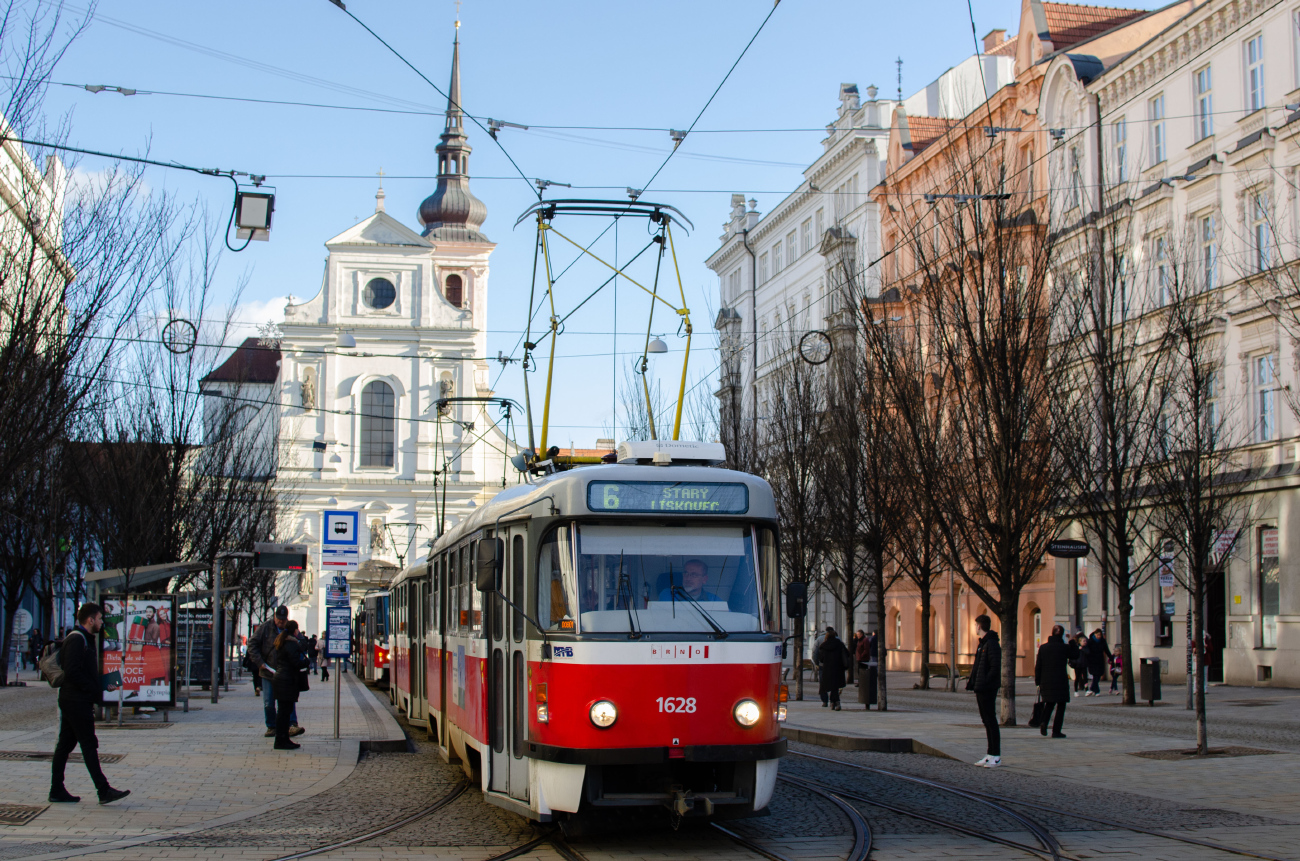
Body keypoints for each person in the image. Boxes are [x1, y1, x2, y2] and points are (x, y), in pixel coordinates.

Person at [49, 603, 130, 804]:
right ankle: (103, 790)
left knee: (65, 745)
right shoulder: (77, 639)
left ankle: (56, 790)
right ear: (90, 620)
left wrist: (101, 684)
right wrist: (94, 689)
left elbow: (81, 673)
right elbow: (73, 673)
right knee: (88, 744)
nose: (102, 622)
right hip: (76, 701)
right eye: (100, 619)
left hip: (75, 699)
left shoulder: (84, 639)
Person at [247, 606, 304, 739]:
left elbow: (301, 643)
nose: (281, 622)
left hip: (286, 672)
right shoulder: (265, 628)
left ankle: (291, 725)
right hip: (268, 671)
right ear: (274, 616)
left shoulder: (290, 628)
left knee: (288, 700)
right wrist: (259, 662)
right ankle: (271, 726)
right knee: (269, 701)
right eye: (279, 619)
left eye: (283, 620)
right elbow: (252, 644)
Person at [966, 614, 1002, 767]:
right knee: (986, 720)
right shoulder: (983, 644)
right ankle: (990, 754)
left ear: (979, 626)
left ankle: (996, 755)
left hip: (987, 688)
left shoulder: (991, 644)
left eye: (976, 625)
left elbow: (995, 667)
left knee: (991, 720)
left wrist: (986, 682)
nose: (975, 628)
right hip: (980, 687)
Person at [272, 621, 307, 750]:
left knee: (283, 712)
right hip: (287, 681)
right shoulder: (291, 643)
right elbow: (295, 663)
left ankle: (283, 739)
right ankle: (281, 740)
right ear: (295, 630)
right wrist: (306, 663)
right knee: (284, 713)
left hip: (280, 679)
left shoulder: (281, 641)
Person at [1034, 624, 1070, 738]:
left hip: (1046, 681)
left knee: (1049, 703)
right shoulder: (1064, 647)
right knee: (1061, 706)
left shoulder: (1043, 648)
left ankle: (1044, 722)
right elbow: (1075, 654)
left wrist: (1038, 682)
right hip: (1061, 681)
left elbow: (1038, 666)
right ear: (1062, 634)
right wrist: (1072, 641)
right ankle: (1056, 731)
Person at [816, 627, 850, 711]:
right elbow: (847, 653)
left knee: (830, 686)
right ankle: (836, 702)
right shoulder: (840, 644)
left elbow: (821, 658)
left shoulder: (824, 645)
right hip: (838, 668)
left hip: (827, 669)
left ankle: (833, 702)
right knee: (835, 686)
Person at [657, 559, 721, 602]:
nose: (688, 578)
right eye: (685, 573)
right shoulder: (668, 595)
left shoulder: (714, 600)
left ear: (704, 579)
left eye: (694, 575)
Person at [1085, 629, 1112, 696]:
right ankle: (1097, 691)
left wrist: (1111, 658)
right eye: (1097, 635)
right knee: (1095, 675)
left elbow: (1106, 650)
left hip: (1100, 660)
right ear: (1095, 634)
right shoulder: (1090, 641)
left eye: (1100, 635)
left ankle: (1092, 688)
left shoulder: (1102, 641)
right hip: (1092, 660)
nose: (1099, 636)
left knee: (1098, 675)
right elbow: (1086, 650)